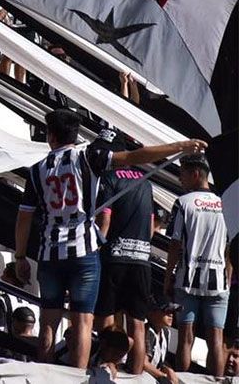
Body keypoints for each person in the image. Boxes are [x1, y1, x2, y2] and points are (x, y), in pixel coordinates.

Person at [13, 108, 207, 368]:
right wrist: (178, 146)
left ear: (50, 135)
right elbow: (134, 157)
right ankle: (78, 375)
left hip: (50, 251)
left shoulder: (37, 171)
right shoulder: (87, 156)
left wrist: (20, 256)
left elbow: (24, 218)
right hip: (83, 250)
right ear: (76, 133)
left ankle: (46, 373)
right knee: (83, 320)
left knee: (48, 320)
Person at [94, 128, 157, 376]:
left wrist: (97, 245)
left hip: (115, 257)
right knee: (138, 325)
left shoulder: (109, 177)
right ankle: (137, 374)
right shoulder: (146, 180)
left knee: (107, 321)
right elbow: (151, 226)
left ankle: (109, 369)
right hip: (142, 259)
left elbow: (104, 221)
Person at [166, 154, 230, 376]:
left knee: (185, 337)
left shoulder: (183, 202)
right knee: (216, 338)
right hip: (218, 280)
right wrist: (228, 277)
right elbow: (230, 247)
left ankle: (181, 380)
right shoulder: (225, 203)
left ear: (195, 174)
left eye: (182, 173)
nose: (180, 178)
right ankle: (216, 381)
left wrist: (168, 277)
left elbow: (175, 245)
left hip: (188, 279)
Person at [143, 296, 180, 383]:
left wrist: (168, 370)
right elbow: (144, 363)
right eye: (166, 311)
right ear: (152, 313)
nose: (171, 314)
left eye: (172, 311)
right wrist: (162, 376)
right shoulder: (147, 332)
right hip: (143, 375)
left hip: (154, 373)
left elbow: (160, 361)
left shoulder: (166, 332)